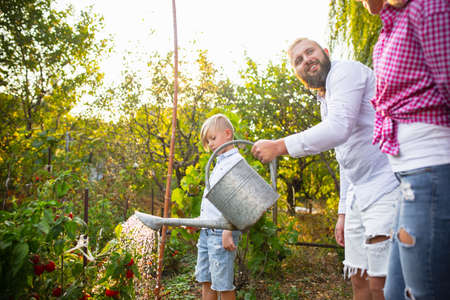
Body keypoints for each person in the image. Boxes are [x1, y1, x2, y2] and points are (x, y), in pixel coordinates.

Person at [251, 38, 400, 300]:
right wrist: (343, 212)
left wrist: (279, 146)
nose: (306, 59)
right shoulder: (325, 99)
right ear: (298, 74)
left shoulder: (345, 72)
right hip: (358, 196)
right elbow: (347, 160)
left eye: (310, 52)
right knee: (358, 279)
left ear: (326, 53)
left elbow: (338, 129)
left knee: (381, 283)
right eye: (298, 60)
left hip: (387, 183)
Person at [355, 1, 450, 299]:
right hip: (407, 180)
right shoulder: (388, 28)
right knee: (394, 292)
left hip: (431, 170)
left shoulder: (430, 7)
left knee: (426, 292)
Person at [195, 113, 242, 300]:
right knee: (205, 279)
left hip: (221, 231)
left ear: (228, 133)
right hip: (207, 230)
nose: (211, 144)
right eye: (208, 141)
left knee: (222, 284)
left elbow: (238, 199)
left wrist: (228, 230)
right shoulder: (219, 163)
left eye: (213, 138)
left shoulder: (235, 162)